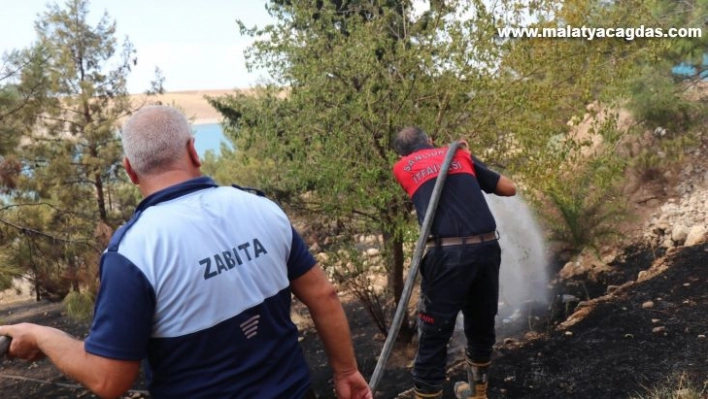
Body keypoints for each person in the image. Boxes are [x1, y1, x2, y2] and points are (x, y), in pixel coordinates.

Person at [0, 105, 372, 399]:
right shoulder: (261, 208)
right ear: (194, 150)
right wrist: (346, 372)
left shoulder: (134, 251)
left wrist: (41, 334)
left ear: (130, 171)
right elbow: (323, 294)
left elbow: (108, 379)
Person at [391, 127, 516, 399]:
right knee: (481, 326)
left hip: (448, 257)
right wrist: (470, 157)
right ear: (431, 141)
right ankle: (478, 392)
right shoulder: (461, 156)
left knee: (434, 335)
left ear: (401, 153)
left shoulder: (401, 166)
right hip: (486, 248)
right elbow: (509, 188)